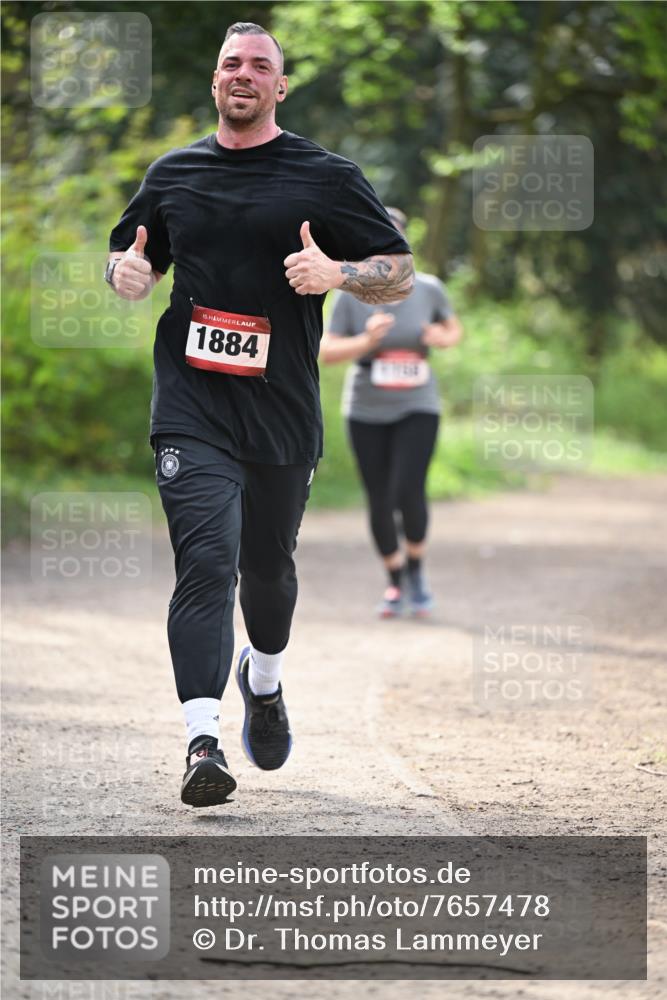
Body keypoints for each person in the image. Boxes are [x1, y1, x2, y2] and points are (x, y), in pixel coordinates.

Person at [106, 23, 413, 807]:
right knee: (206, 563)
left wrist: (338, 271)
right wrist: (128, 273)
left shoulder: (326, 175)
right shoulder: (173, 172)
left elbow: (399, 274)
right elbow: (129, 251)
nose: (243, 74)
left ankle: (264, 679)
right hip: (191, 403)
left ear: (280, 87)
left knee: (267, 574)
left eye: (260, 66)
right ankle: (202, 742)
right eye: (231, 64)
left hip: (280, 412)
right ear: (214, 82)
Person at [320, 207, 462, 619]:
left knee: (407, 489)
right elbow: (326, 352)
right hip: (366, 406)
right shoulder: (349, 295)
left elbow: (454, 329)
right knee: (379, 498)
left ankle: (416, 569)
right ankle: (395, 579)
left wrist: (441, 336)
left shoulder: (430, 288)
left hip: (418, 403)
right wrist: (365, 341)